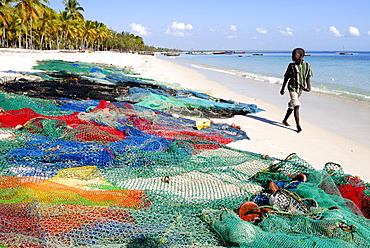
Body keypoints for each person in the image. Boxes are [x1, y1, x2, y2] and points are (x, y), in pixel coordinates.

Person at [280, 48, 313, 133]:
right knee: (297, 105)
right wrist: (283, 88)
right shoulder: (291, 66)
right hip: (292, 87)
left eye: (294, 55)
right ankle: (298, 125)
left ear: (301, 56)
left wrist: (308, 86)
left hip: (300, 89)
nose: (292, 57)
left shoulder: (307, 66)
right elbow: (286, 77)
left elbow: (308, 76)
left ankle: (284, 120)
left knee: (292, 105)